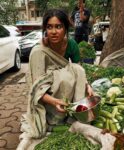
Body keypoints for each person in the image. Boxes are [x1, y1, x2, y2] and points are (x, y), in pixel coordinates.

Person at [17, 8, 94, 150]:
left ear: (65, 28)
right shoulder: (38, 51)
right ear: (45, 29)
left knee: (76, 70)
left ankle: (75, 113)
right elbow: (37, 88)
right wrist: (55, 101)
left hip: (64, 90)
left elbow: (78, 71)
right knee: (63, 78)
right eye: (49, 27)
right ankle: (52, 121)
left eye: (58, 27)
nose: (53, 31)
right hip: (47, 93)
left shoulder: (72, 45)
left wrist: (87, 86)